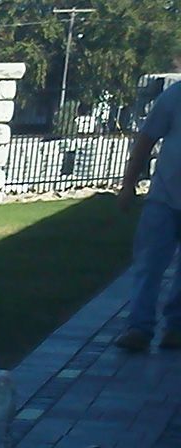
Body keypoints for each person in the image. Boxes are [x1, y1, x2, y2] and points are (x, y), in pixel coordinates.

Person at [118, 76, 181, 352]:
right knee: (148, 265)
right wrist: (128, 185)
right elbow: (145, 141)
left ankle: (176, 328)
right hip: (164, 198)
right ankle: (139, 328)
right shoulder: (174, 97)